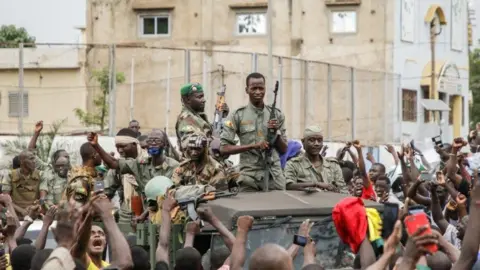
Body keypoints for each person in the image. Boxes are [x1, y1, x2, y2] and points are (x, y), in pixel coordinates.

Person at [220, 72, 288, 192]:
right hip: (249, 177)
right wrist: (254, 146)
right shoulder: (237, 115)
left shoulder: (277, 115)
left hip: (274, 177)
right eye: (254, 88)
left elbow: (284, 150)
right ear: (247, 90)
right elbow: (224, 148)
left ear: (265, 89)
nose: (258, 92)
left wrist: (275, 134)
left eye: (261, 88)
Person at [87, 129, 179, 191]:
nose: (120, 150)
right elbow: (107, 186)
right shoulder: (133, 164)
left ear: (134, 144)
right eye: (117, 147)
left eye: (123, 146)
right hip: (130, 213)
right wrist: (92, 185)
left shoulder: (171, 165)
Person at [284, 126, 347, 193]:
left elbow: (343, 190)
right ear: (303, 142)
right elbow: (288, 185)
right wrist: (315, 184)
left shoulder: (333, 165)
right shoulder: (293, 164)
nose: (316, 144)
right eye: (311, 140)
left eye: (319, 140)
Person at [175, 83, 229, 151]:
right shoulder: (186, 119)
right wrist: (212, 141)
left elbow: (212, 132)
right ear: (187, 100)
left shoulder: (197, 116)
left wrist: (222, 117)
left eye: (203, 96)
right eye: (199, 97)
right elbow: (190, 143)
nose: (204, 100)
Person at [1, 150, 48, 218]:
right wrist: (21, 210)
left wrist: (37, 206)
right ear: (22, 161)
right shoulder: (9, 175)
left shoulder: (41, 175)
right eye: (31, 159)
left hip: (35, 213)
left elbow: (42, 198)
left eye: (34, 158)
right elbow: (5, 199)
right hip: (15, 214)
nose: (34, 161)